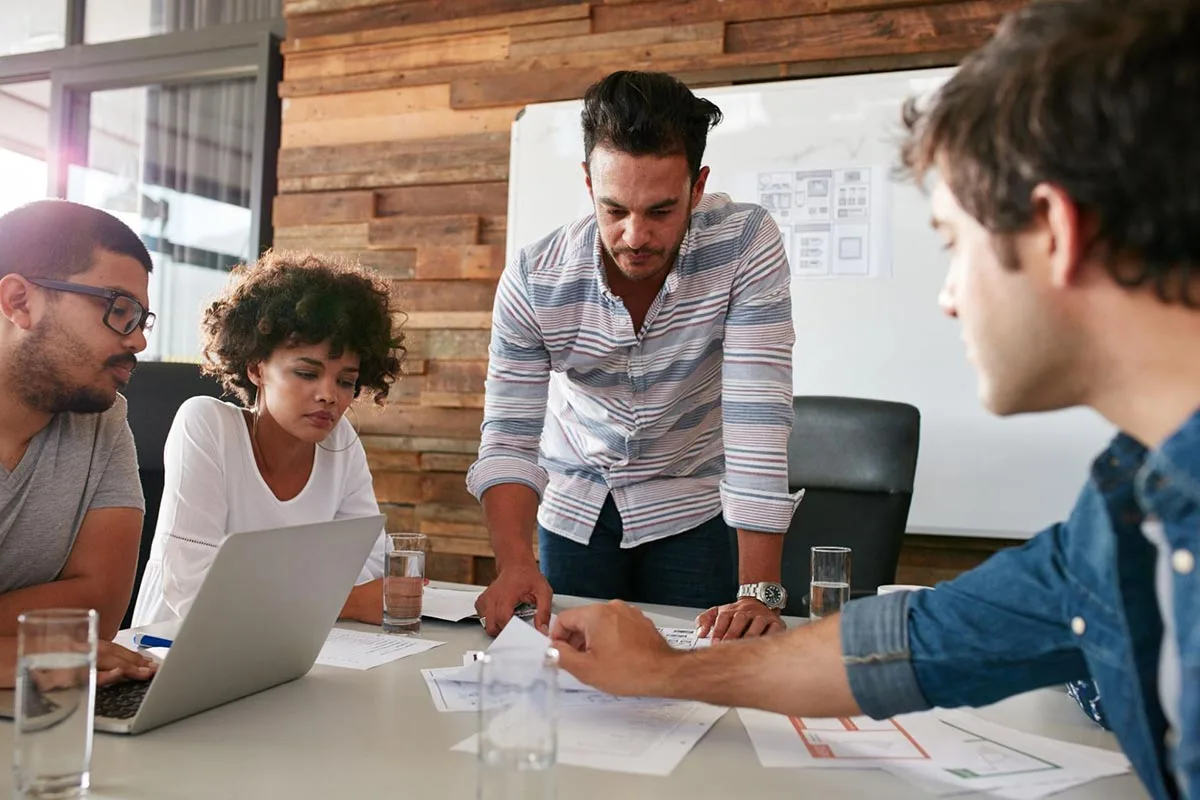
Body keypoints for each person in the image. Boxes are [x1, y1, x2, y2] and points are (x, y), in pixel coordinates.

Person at [549, 2, 1199, 799]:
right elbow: (913, 644)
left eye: (954, 244)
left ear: (1054, 232)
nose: (951, 298)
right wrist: (666, 668)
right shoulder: (1126, 514)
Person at [468, 70, 803, 638]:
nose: (634, 235)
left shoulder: (745, 244)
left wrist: (758, 593)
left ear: (697, 189)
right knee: (574, 681)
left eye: (661, 211)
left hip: (690, 504)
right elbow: (508, 436)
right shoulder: (534, 278)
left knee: (693, 678)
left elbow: (757, 419)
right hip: (575, 506)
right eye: (615, 209)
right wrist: (515, 563)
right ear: (587, 182)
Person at [131, 251, 404, 627]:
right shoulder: (206, 424)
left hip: (292, 646)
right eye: (307, 373)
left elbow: (373, 567)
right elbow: (195, 591)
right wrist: (347, 603)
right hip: (171, 652)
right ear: (257, 368)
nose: (330, 395)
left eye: (345, 381)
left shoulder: (341, 444)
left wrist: (268, 590)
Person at [0, 200, 158, 687]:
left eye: (140, 319)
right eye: (118, 310)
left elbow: (98, 613)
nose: (138, 343)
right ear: (20, 302)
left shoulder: (104, 420)